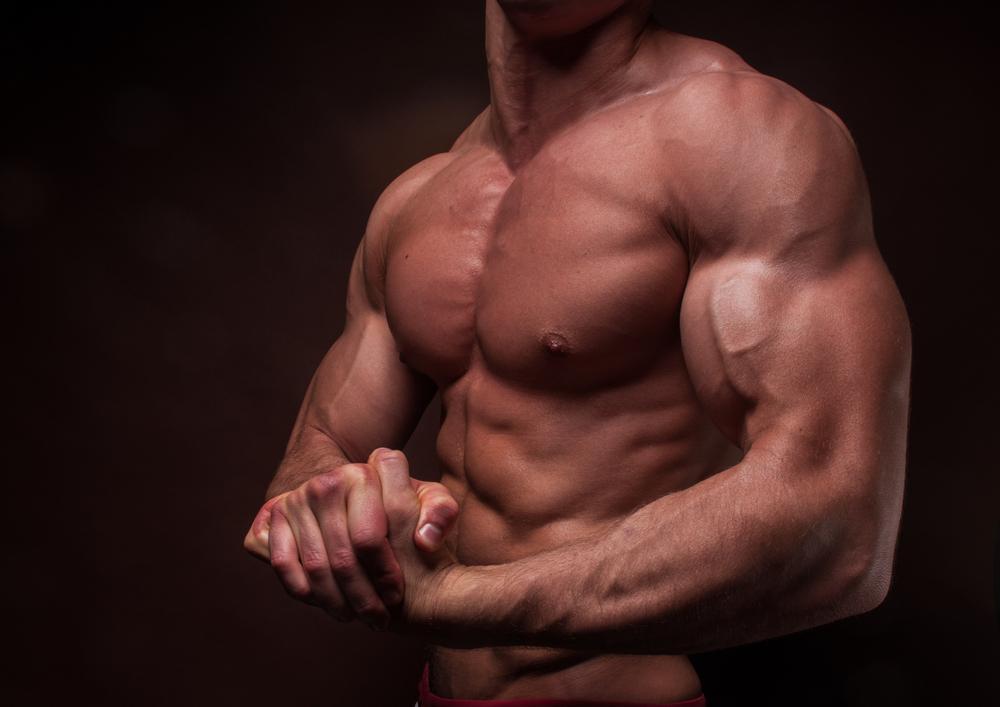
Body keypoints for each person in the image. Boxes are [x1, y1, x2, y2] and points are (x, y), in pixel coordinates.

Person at [242, 1, 912, 704]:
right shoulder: (419, 195)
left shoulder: (741, 136)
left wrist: (449, 599)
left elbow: (837, 524)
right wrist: (333, 509)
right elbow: (312, 457)